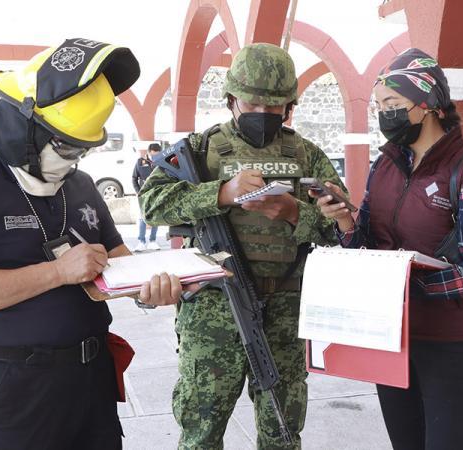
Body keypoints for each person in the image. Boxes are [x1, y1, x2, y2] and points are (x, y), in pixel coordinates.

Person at [0, 39, 186, 450]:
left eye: (82, 149)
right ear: (24, 126)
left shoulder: (79, 185)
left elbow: (120, 260)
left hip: (90, 381)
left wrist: (152, 288)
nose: (73, 161)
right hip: (11, 390)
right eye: (65, 146)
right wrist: (57, 272)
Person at [139, 43, 344, 449]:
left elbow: (341, 228)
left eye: (275, 108)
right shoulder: (200, 149)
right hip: (213, 313)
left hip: (285, 313)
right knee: (201, 433)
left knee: (282, 434)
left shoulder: (307, 154)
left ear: (289, 107)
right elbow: (151, 204)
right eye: (253, 103)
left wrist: (292, 213)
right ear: (231, 99)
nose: (264, 115)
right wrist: (221, 193)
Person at [316, 48, 463, 450]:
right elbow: (364, 244)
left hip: (451, 344)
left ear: (429, 105)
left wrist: (409, 290)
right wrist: (343, 220)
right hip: (391, 338)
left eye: (394, 104)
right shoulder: (383, 166)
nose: (386, 115)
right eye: (380, 106)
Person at [132, 142, 161, 251]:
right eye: (153, 154)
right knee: (142, 217)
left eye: (157, 154)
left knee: (155, 216)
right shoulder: (140, 162)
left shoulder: (161, 161)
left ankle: (153, 240)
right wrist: (138, 192)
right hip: (143, 194)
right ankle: (141, 241)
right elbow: (134, 178)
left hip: (157, 192)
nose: (155, 157)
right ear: (148, 152)